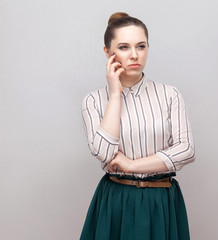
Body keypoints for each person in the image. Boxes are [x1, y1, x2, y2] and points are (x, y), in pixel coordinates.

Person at [80, 12, 195, 240]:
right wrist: (115, 94)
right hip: (116, 199)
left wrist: (131, 165)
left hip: (160, 199)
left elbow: (187, 150)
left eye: (141, 46)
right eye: (124, 47)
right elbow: (103, 153)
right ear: (107, 52)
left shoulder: (169, 94)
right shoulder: (93, 101)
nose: (134, 55)